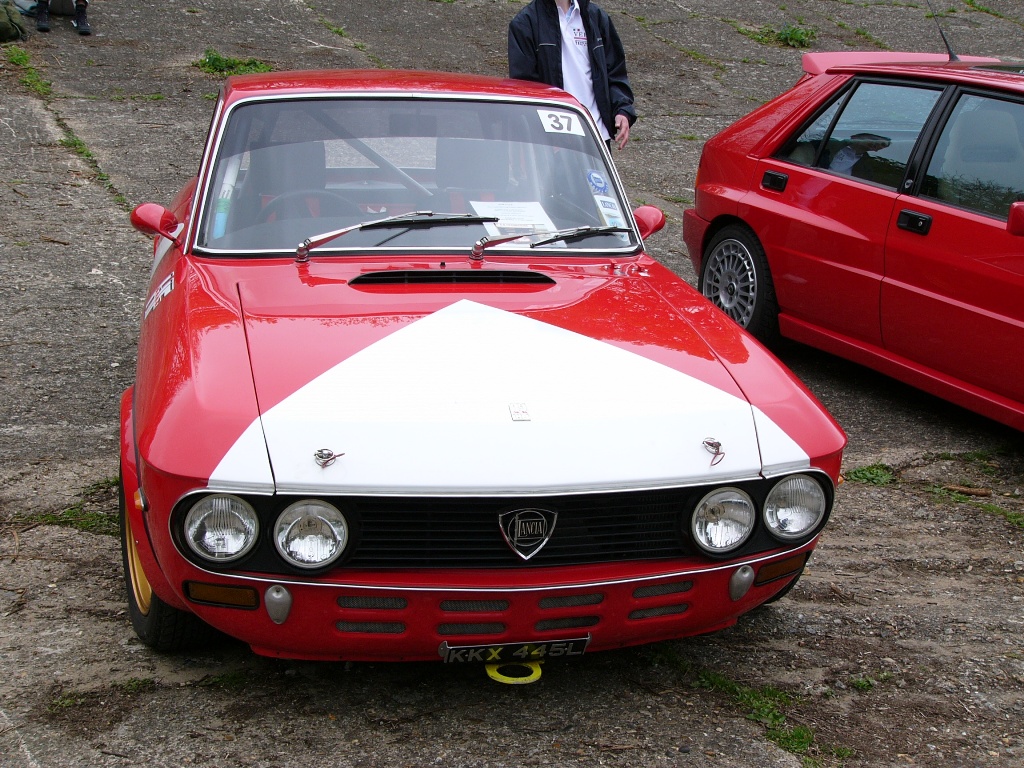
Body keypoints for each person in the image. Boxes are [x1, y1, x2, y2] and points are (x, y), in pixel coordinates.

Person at [508, 0, 635, 150]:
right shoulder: (524, 23)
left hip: (596, 134)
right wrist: (545, 136)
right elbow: (526, 90)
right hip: (554, 141)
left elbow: (615, 71)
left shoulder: (596, 17)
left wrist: (622, 110)